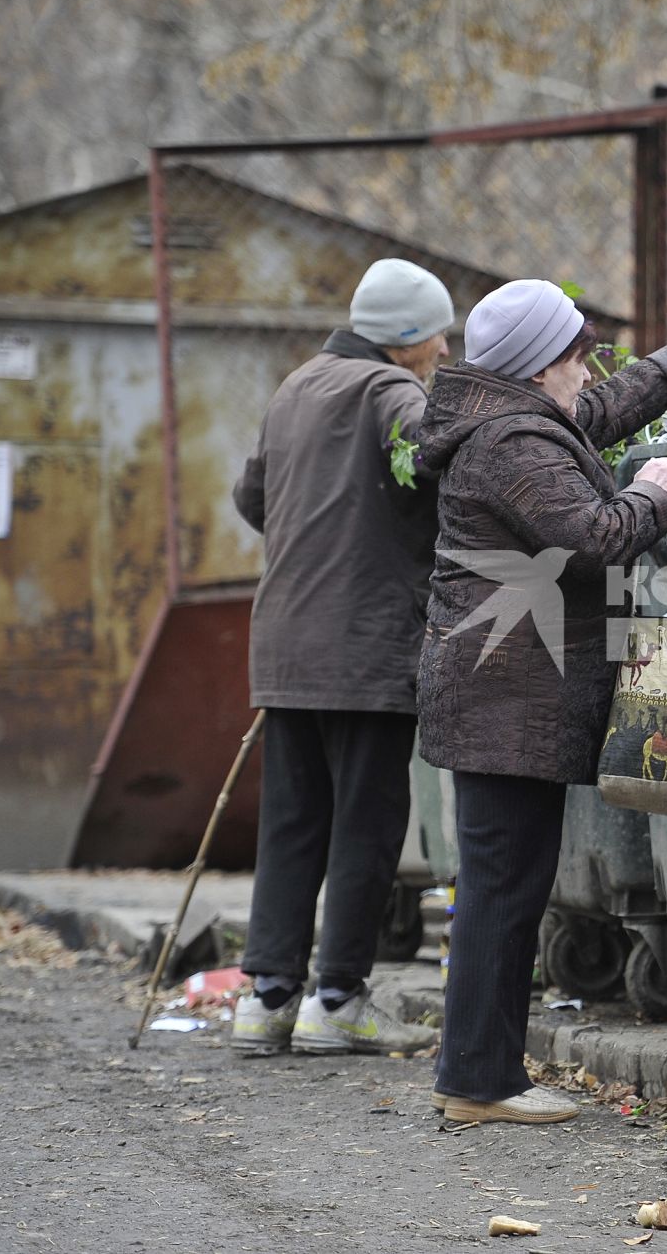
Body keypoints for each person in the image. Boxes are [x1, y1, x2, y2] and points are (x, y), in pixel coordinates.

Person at [415, 280, 667, 1124]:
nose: (586, 367)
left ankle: (478, 1073)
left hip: (502, 699)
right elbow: (595, 538)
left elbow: (593, 412)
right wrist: (656, 494)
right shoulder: (513, 443)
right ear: (538, 365)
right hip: (504, 704)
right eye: (575, 353)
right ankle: (478, 1082)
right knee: (502, 889)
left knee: (507, 886)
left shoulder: (517, 421)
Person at [229, 258, 455, 1059]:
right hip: (363, 646)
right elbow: (439, 472)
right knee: (365, 822)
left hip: (286, 642)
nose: (441, 347)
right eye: (435, 333)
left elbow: (251, 499)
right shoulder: (391, 392)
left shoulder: (297, 386)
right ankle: (338, 998)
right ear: (404, 337)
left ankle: (266, 999)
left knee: (292, 822)